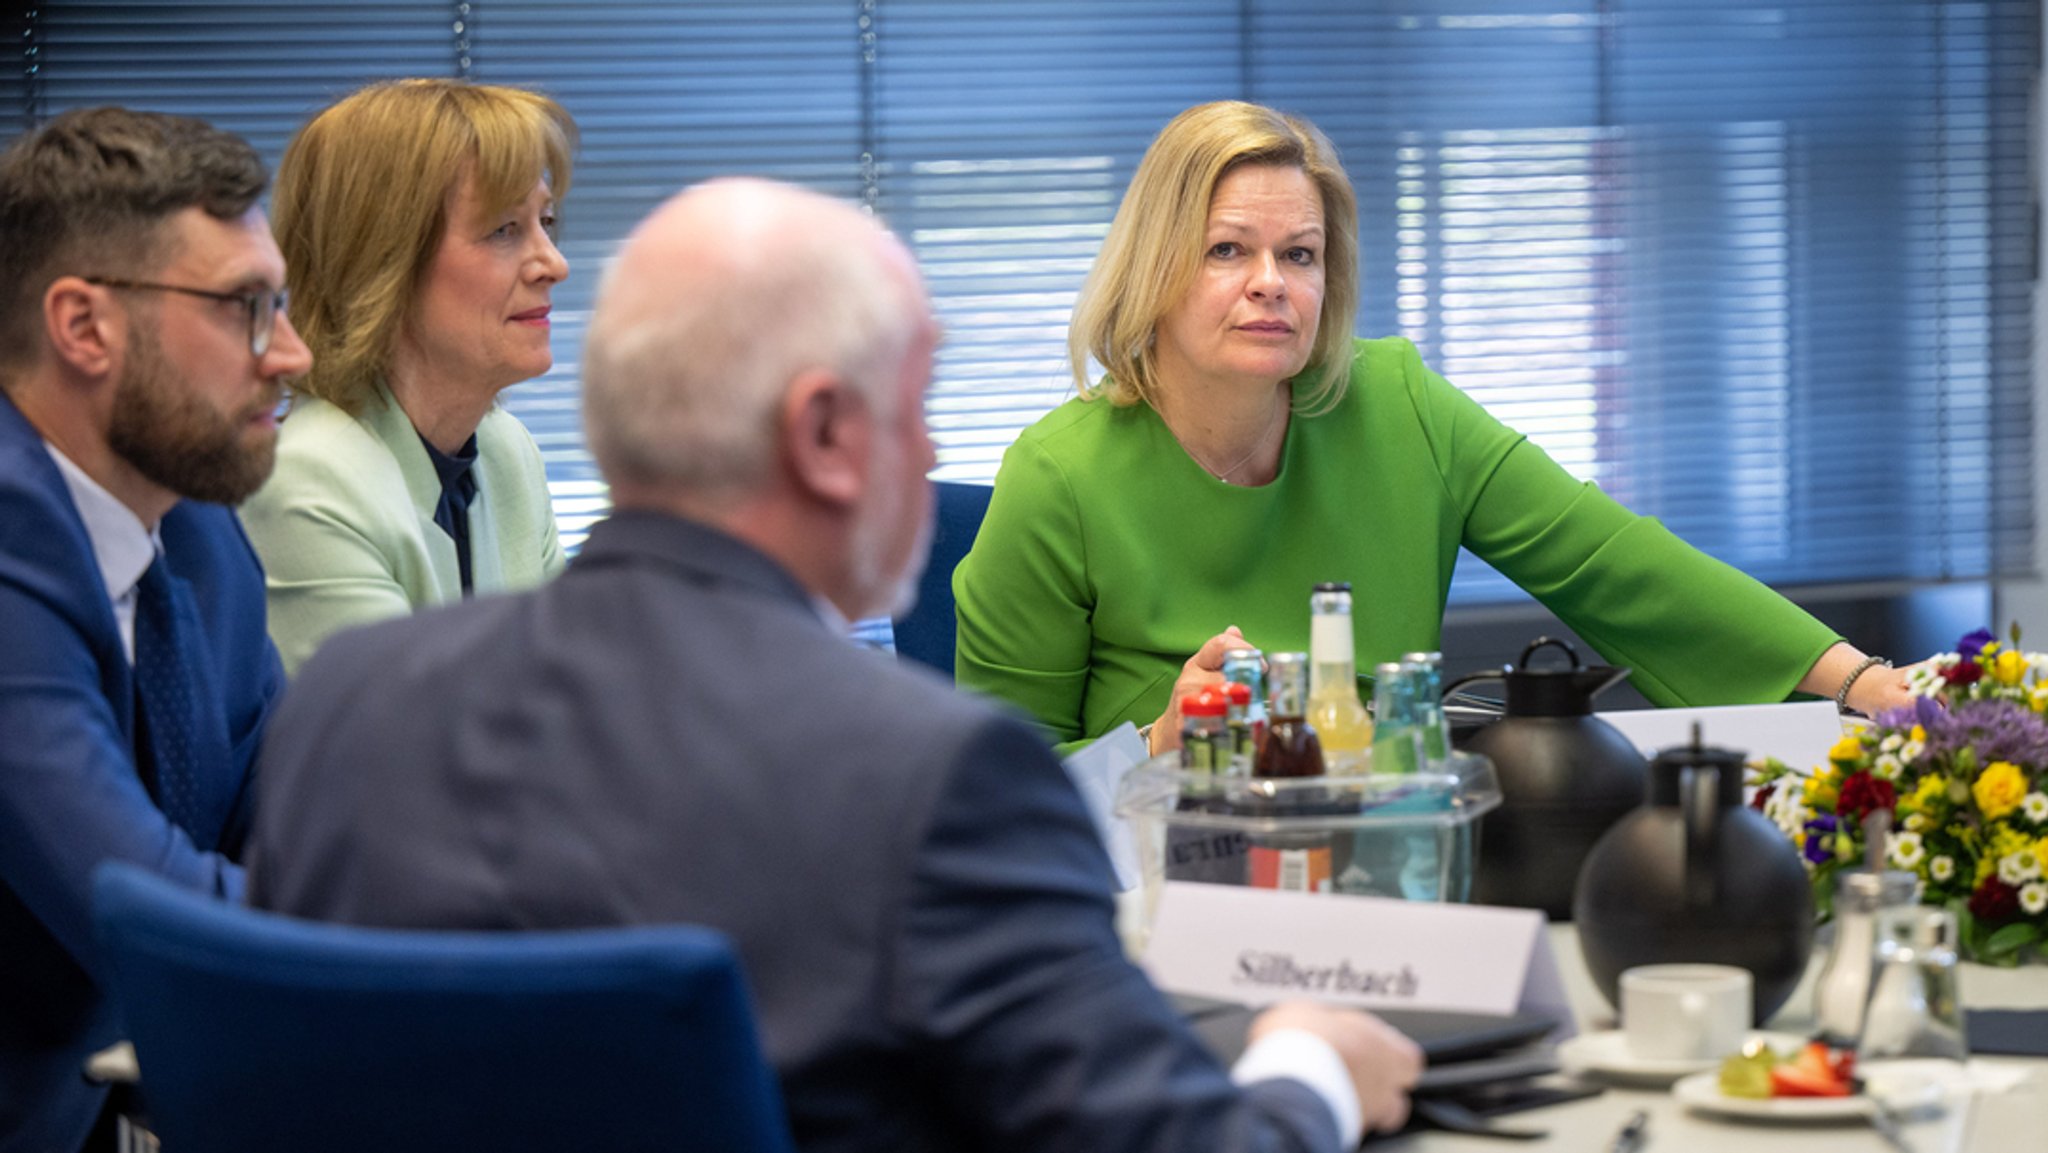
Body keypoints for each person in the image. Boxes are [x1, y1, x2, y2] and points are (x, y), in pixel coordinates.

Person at [247, 178, 1423, 1153]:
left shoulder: (346, 709)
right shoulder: (934, 777)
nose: (930, 456)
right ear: (820, 436)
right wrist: (1308, 1065)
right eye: (914, 408)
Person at [953, 100, 1919, 756]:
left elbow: (1620, 566)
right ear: (1154, 266)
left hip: (1391, 853)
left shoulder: (1400, 405)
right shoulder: (1060, 474)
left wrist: (1865, 683)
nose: (1271, 283)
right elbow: (994, 792)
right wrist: (1165, 744)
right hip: (1167, 884)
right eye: (1225, 250)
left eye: (1300, 253)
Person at [0, 107, 306, 1153]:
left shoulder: (200, 529)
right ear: (84, 326)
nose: (292, 355)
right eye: (245, 309)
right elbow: (145, 909)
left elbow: (299, 818)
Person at [238, 79, 572, 675]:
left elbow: (573, 696)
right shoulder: (305, 485)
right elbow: (398, 761)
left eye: (546, 221)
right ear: (383, 260)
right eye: (504, 230)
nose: (554, 263)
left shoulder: (504, 451)